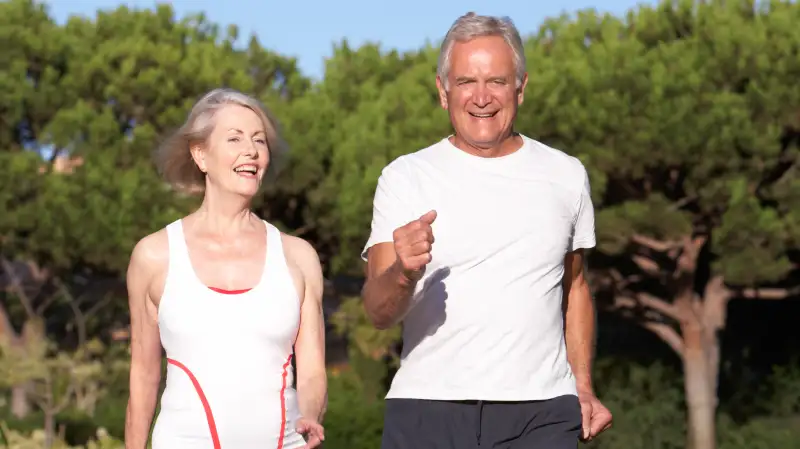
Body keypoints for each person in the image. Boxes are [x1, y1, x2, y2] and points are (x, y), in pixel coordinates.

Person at [361, 12, 613, 449]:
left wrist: (584, 386)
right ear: (443, 92)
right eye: (465, 82)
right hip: (428, 408)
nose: (482, 97)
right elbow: (378, 313)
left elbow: (574, 289)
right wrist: (404, 271)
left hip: (542, 410)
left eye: (496, 81)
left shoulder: (566, 175)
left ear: (521, 87)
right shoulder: (405, 177)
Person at [124, 88, 327, 449]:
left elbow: (311, 370)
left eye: (259, 140)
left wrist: (310, 416)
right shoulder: (154, 256)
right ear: (200, 154)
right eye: (234, 138)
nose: (250, 150)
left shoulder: (299, 257)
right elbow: (143, 376)